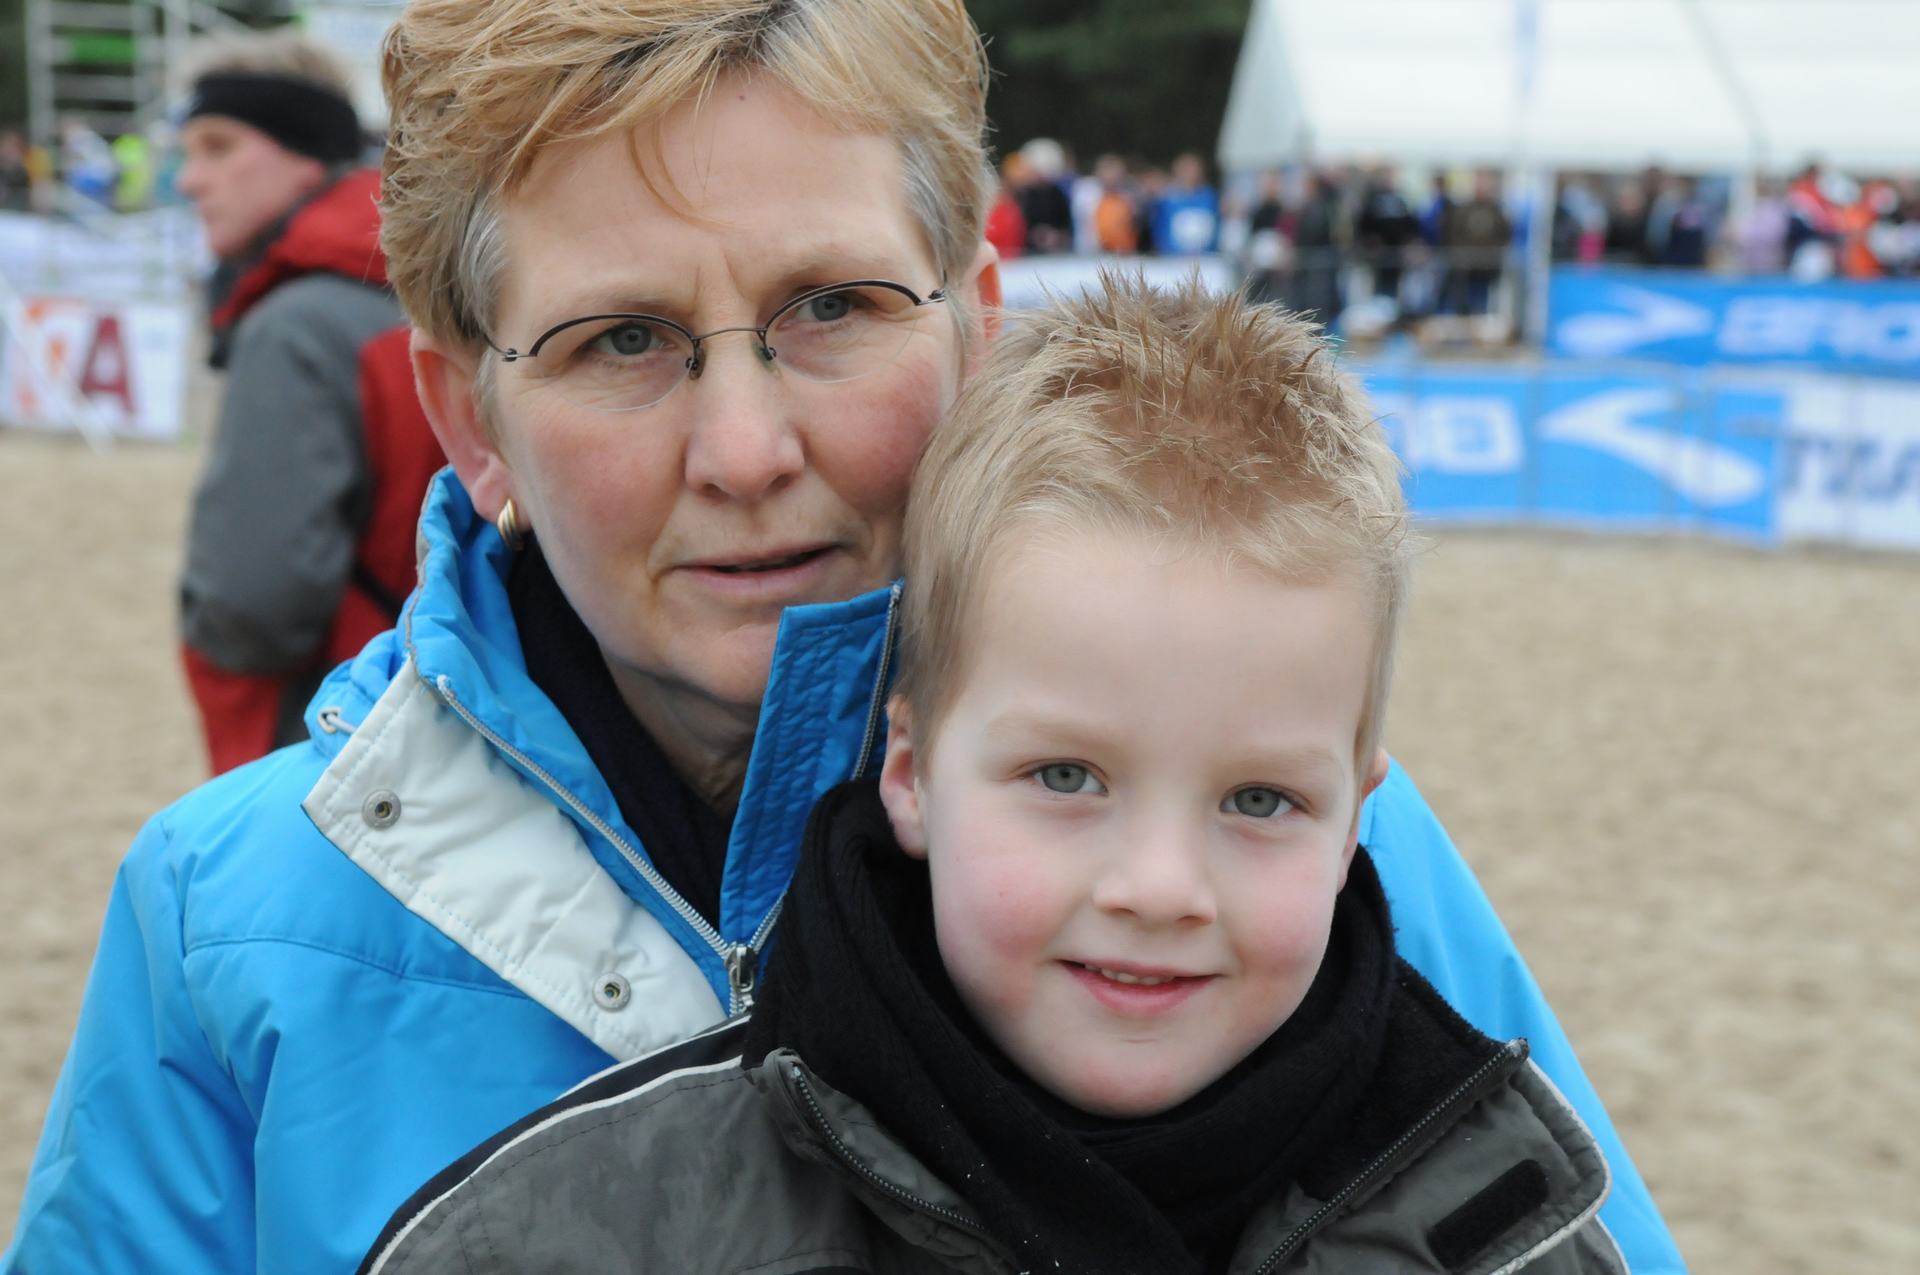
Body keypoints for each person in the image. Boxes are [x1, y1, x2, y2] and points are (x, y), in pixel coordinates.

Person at [3, 2, 1686, 1272]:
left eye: (830, 307)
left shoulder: (1298, 843)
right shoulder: (229, 926)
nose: (745, 452)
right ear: (468, 419)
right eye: (621, 340)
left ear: (974, 324)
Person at [359, 276, 1626, 1275]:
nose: (1158, 887)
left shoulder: (1508, 1224)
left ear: (1356, 819)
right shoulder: (595, 1232)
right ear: (910, 771)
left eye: (1259, 801)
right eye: (1067, 777)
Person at [172, 29, 444, 775]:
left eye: (219, 147)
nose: (189, 180)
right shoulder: (427, 293)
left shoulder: (296, 326)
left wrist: (209, 630)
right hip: (439, 704)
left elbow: (257, 604)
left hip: (325, 728)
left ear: (305, 149)